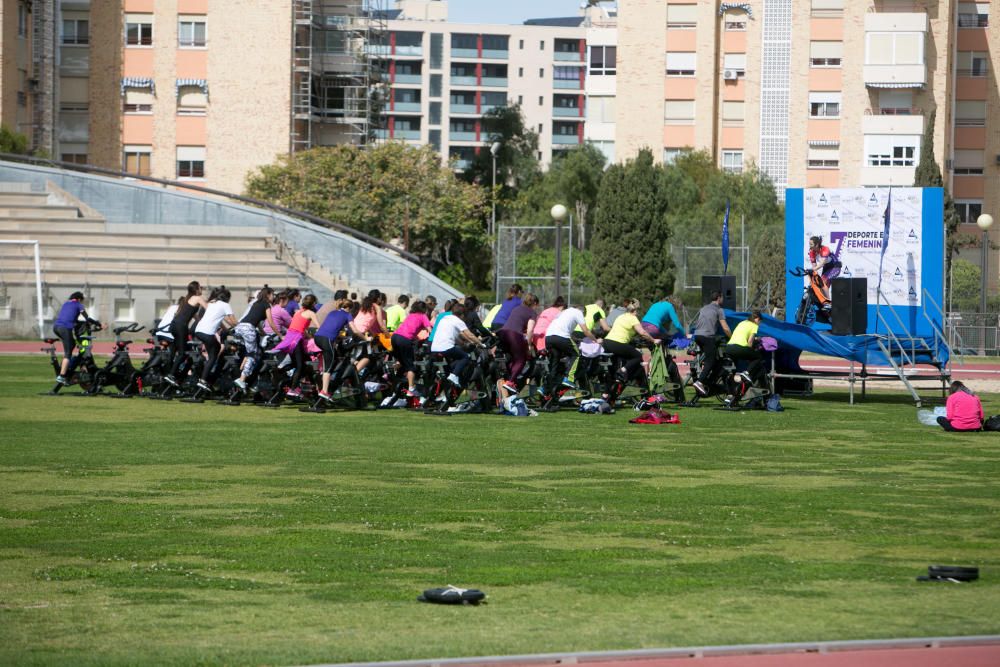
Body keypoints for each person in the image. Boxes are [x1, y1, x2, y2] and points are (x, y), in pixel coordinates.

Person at [313, 297, 366, 402]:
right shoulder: (347, 315)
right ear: (350, 308)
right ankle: (324, 391)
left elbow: (331, 327)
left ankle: (324, 386)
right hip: (326, 339)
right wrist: (366, 338)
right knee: (328, 367)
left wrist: (341, 337)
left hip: (318, 338)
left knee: (332, 361)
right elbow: (355, 331)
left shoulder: (333, 312)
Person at [602, 299, 660, 389]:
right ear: (635, 311)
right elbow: (642, 332)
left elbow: (623, 330)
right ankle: (623, 371)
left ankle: (608, 394)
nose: (637, 313)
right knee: (637, 356)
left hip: (606, 342)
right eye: (637, 311)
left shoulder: (621, 317)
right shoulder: (632, 318)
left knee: (614, 371)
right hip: (616, 343)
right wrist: (653, 340)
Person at [270, 294, 320, 398]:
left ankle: (280, 373)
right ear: (313, 303)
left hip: (290, 338)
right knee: (300, 365)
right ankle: (293, 388)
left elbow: (298, 327)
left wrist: (308, 336)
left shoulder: (298, 312)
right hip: (296, 340)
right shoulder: (311, 313)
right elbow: (319, 327)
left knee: (299, 363)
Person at [544, 303, 601, 390]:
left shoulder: (564, 312)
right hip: (561, 337)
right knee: (577, 354)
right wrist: (596, 340)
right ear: (582, 311)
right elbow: (585, 331)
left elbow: (564, 332)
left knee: (555, 362)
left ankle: (545, 387)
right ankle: (569, 378)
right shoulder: (578, 312)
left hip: (549, 337)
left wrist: (577, 340)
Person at [232, 287, 277, 392]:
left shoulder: (256, 303)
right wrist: (279, 334)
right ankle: (242, 379)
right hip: (248, 329)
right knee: (254, 354)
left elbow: (255, 320)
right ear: (268, 295)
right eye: (273, 294)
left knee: (249, 353)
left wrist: (263, 333)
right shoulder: (266, 304)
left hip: (240, 327)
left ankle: (241, 375)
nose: (273, 297)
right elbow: (270, 321)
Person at [193, 286, 237, 391]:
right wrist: (241, 326)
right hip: (208, 333)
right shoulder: (226, 305)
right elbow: (233, 321)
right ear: (227, 298)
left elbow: (219, 317)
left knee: (215, 349)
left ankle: (205, 376)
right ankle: (203, 380)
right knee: (214, 355)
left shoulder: (212, 303)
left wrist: (226, 328)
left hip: (198, 330)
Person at [429, 302, 483, 388]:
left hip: (434, 348)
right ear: (462, 314)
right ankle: (454, 376)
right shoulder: (458, 321)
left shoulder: (445, 318)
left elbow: (456, 337)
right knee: (465, 357)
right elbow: (470, 335)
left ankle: (445, 394)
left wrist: (463, 344)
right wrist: (480, 344)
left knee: (448, 370)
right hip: (446, 348)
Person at [165, 281, 208, 385]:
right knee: (182, 353)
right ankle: (171, 375)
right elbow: (210, 309)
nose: (202, 289)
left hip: (174, 325)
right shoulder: (197, 298)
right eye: (200, 287)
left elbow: (194, 316)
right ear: (197, 289)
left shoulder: (187, 299)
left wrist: (201, 321)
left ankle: (176, 376)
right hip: (181, 327)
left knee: (184, 352)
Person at [52, 291, 99, 385]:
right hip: (64, 328)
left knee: (72, 344)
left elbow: (71, 318)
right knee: (68, 353)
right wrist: (98, 323)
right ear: (79, 299)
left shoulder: (66, 303)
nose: (82, 302)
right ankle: (62, 376)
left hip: (56, 327)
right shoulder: (78, 305)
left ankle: (66, 367)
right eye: (82, 300)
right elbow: (87, 318)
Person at [692, 291, 732, 396]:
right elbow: (725, 327)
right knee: (711, 360)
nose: (722, 299)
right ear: (719, 298)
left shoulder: (704, 308)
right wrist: (732, 338)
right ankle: (700, 382)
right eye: (722, 297)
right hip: (707, 337)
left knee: (713, 360)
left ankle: (708, 382)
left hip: (697, 336)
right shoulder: (719, 310)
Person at [497, 293, 538, 395]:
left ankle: (507, 377)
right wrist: (528, 344)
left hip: (503, 332)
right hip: (514, 334)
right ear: (535, 303)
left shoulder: (517, 308)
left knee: (512, 357)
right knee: (521, 359)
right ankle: (511, 382)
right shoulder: (532, 312)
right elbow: (530, 330)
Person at [391, 300, 433, 397]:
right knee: (411, 366)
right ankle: (411, 389)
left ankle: (394, 383)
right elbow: (430, 330)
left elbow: (410, 328)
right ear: (424, 309)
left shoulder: (410, 315)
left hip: (395, 337)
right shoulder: (423, 316)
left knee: (401, 363)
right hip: (404, 340)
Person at [724, 309, 764, 386]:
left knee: (734, 371)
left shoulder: (742, 322)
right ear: (758, 319)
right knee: (758, 357)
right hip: (739, 348)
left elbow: (741, 335)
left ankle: (732, 391)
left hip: (729, 348)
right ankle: (746, 373)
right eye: (760, 322)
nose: (759, 324)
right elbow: (750, 342)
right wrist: (750, 351)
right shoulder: (754, 325)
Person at [808, 235, 841, 301]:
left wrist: (813, 270)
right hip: (826, 268)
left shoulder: (825, 249)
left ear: (817, 244)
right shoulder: (811, 252)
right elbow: (814, 266)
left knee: (822, 281)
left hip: (835, 267)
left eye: (811, 244)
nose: (810, 246)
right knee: (820, 285)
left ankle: (828, 303)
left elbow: (822, 263)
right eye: (809, 244)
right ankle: (824, 304)